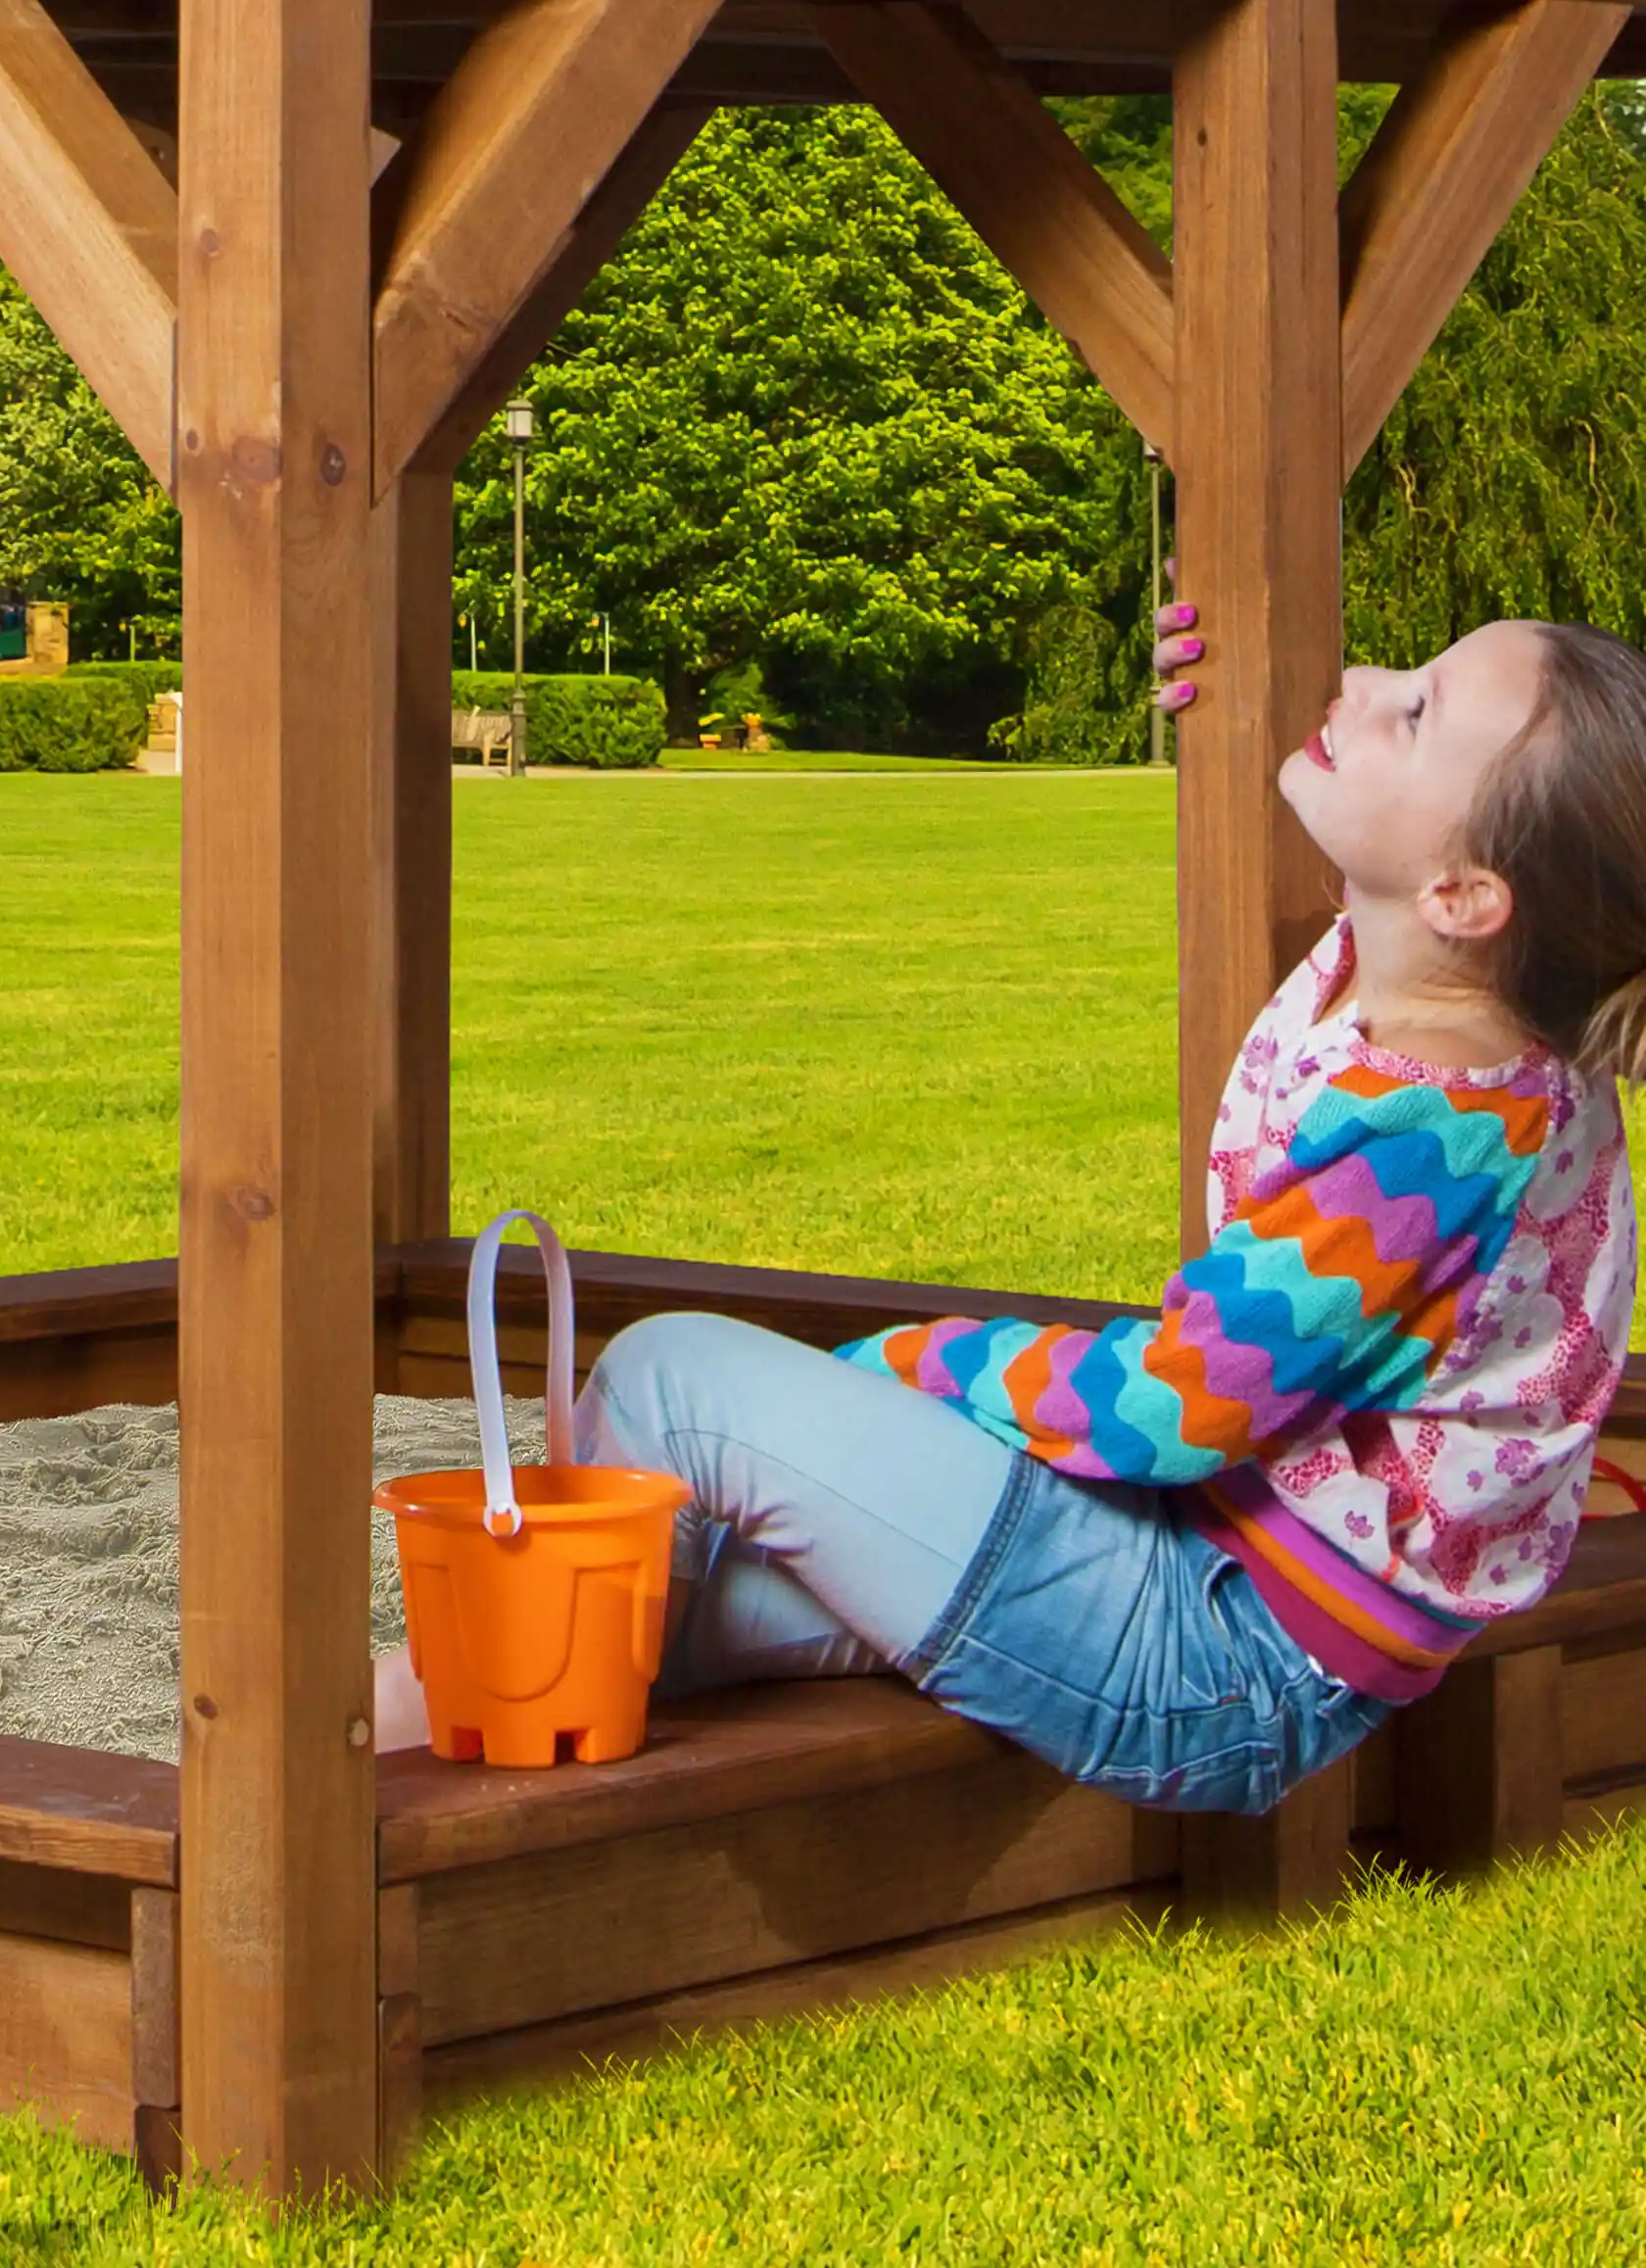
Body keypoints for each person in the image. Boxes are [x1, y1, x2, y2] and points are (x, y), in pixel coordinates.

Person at [379, 615, 1646, 1814]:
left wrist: (913, 1367)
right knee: (637, 1613)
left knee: (678, 1381)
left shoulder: (1423, 1147)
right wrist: (1234, 687)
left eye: (1415, 711)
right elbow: (1343, 809)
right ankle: (430, 1719)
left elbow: (1173, 1409)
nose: (1368, 682)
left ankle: (468, 1715)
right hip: (1214, 1587)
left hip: (1215, 1655)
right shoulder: (1465, 1006)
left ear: (1468, 898)